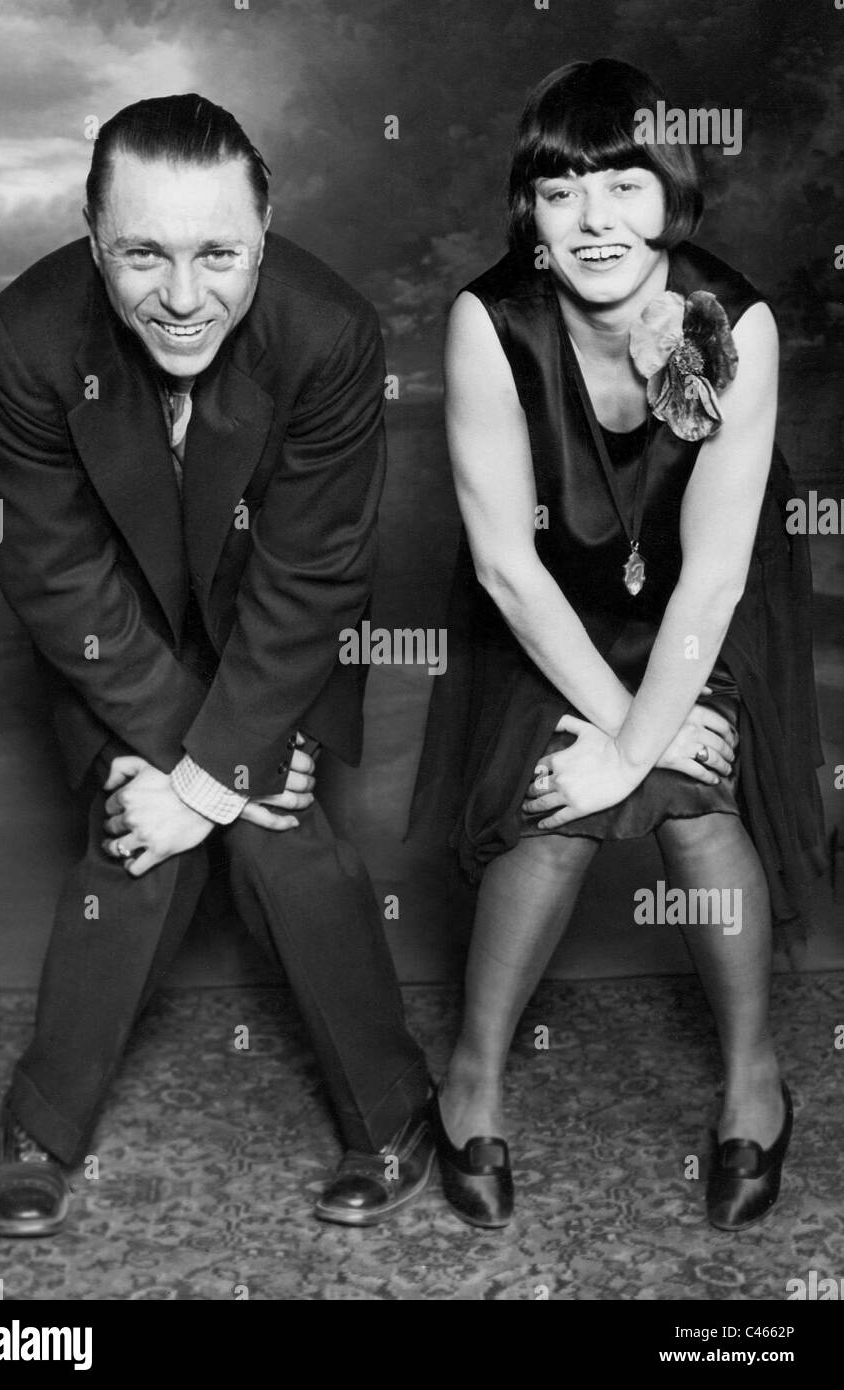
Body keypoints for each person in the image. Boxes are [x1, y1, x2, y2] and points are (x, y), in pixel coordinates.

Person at [0, 94, 434, 1238]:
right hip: (117, 636)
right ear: (93, 240)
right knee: (134, 832)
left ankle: (396, 1115)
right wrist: (182, 774)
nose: (184, 297)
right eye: (143, 253)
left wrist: (220, 773)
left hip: (276, 627)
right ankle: (43, 1123)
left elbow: (313, 577)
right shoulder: (23, 341)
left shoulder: (330, 334)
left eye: (218, 252)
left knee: (285, 834)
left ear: (264, 237)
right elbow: (58, 575)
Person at [411, 59, 825, 1232]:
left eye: (625, 183)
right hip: (548, 597)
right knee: (557, 805)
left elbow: (718, 573)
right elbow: (505, 566)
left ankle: (755, 1084)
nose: (594, 220)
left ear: (673, 193)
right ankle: (472, 1082)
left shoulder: (734, 320)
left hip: (703, 597)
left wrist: (645, 743)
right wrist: (612, 738)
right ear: (529, 211)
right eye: (560, 190)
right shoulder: (488, 324)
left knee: (698, 796)